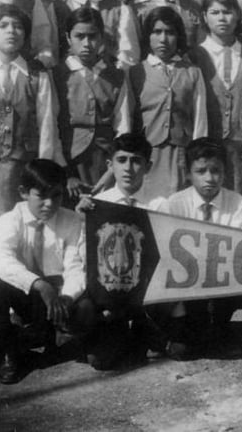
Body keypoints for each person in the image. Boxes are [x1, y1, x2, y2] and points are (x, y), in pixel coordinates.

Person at [0, 159, 95, 383]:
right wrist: (38, 284)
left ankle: (57, 339)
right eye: (41, 196)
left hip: (57, 297)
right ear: (23, 193)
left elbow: (75, 265)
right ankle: (12, 354)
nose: (49, 204)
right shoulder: (10, 220)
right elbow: (0, 260)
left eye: (56, 196)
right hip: (26, 295)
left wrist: (68, 296)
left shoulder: (71, 220)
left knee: (85, 307)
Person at [75, 132, 166, 366]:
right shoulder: (96, 205)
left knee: (164, 348)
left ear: (148, 166)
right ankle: (117, 331)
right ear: (110, 165)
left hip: (148, 296)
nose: (129, 168)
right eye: (122, 160)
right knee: (100, 361)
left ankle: (142, 328)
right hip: (111, 298)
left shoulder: (159, 205)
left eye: (136, 161)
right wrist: (82, 219)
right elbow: (84, 258)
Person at [158, 137, 242, 355]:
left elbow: (236, 250)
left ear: (225, 173)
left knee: (221, 345)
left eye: (216, 170)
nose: (210, 178)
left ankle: (220, 328)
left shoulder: (237, 203)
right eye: (201, 171)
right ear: (188, 173)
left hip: (223, 281)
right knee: (183, 352)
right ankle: (182, 328)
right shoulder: (174, 204)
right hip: (186, 284)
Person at [129, 6, 207, 202]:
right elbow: (127, 119)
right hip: (148, 155)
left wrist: (197, 156)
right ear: (148, 36)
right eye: (157, 32)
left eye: (170, 32)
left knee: (177, 204)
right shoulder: (136, 72)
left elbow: (200, 120)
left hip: (181, 155)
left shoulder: (192, 72)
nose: (163, 39)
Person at [54, 6, 133, 197]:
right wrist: (66, 173)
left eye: (93, 36)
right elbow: (51, 128)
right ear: (68, 38)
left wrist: (113, 171)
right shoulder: (57, 75)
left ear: (102, 38)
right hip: (69, 163)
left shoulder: (116, 76)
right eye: (79, 36)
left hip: (105, 163)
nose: (87, 43)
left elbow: (123, 127)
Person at [0, 4, 63, 220]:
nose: (11, 31)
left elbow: (47, 125)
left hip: (23, 169)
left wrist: (43, 171)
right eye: (3, 25)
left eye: (18, 27)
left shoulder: (37, 74)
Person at [187, 0, 242, 195]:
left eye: (227, 11)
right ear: (205, 17)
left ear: (238, 15)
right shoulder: (195, 56)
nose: (222, 18)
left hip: (240, 149)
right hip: (208, 147)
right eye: (215, 13)